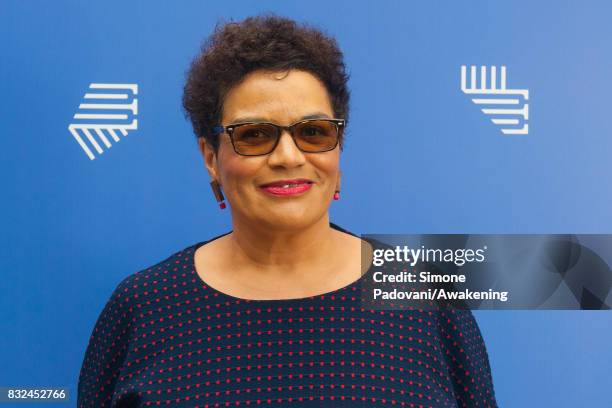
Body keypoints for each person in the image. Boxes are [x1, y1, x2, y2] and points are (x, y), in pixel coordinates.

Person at [77, 14, 498, 407]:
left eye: (313, 132)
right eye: (255, 134)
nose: (287, 156)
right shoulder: (144, 305)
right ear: (211, 157)